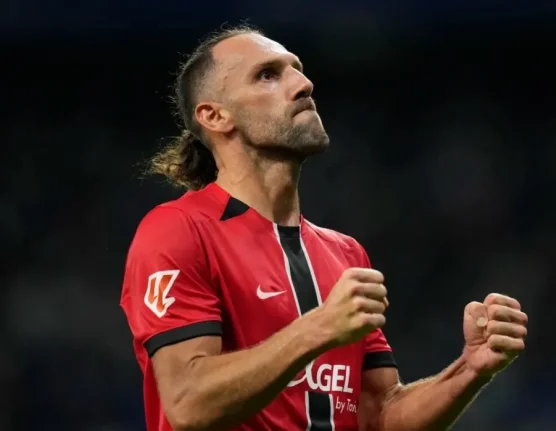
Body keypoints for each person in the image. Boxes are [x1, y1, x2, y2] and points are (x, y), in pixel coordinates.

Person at [120, 25, 529, 431]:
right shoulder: (179, 230)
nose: (303, 84)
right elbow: (188, 403)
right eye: (267, 75)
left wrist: (470, 369)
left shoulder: (345, 253)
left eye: (297, 70)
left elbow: (378, 416)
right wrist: (318, 328)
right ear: (215, 116)